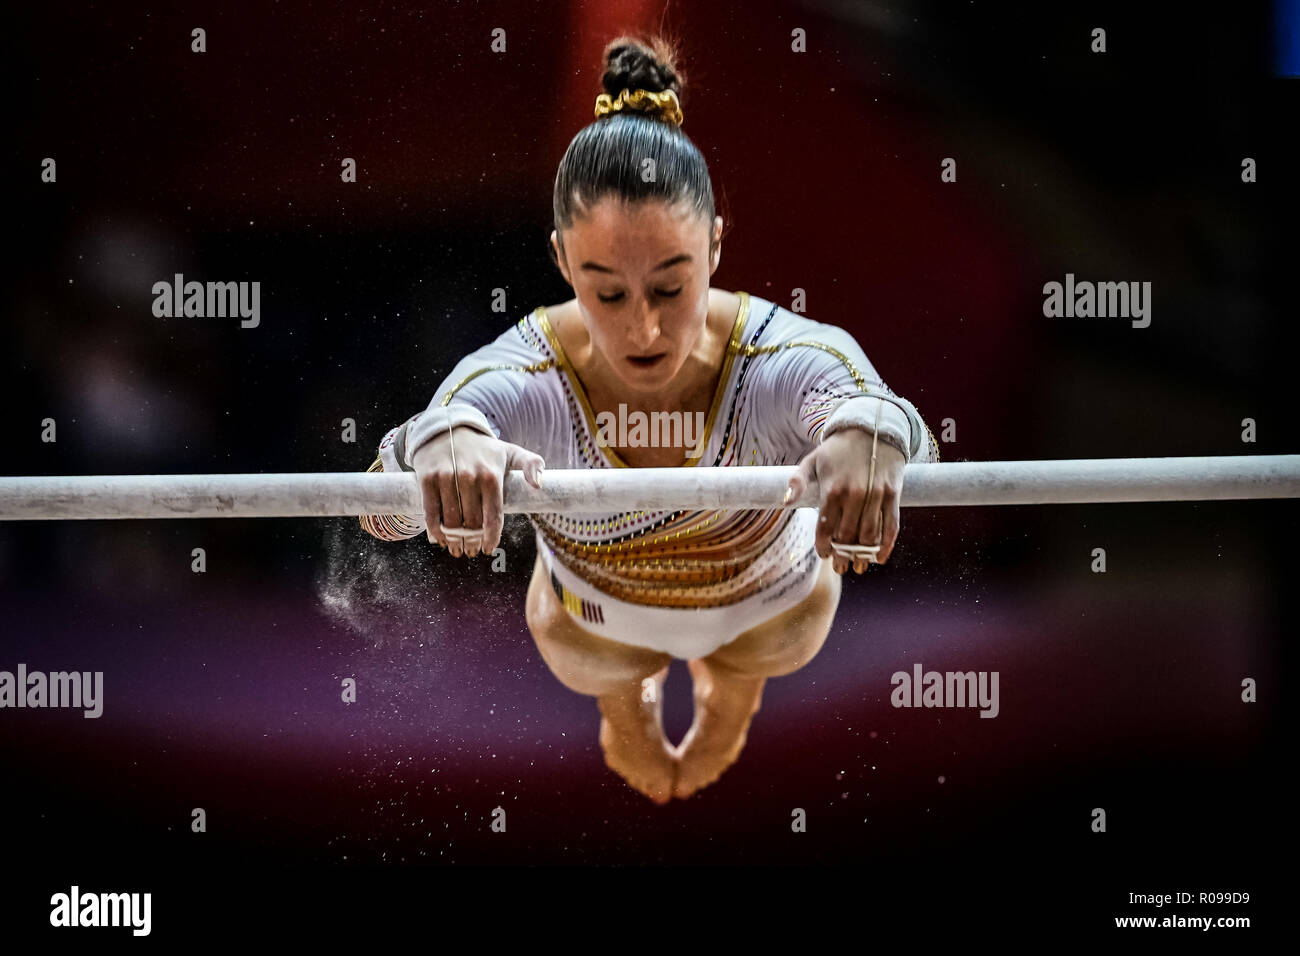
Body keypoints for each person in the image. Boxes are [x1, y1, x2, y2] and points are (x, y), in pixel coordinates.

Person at [360, 36, 939, 804]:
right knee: (600, 656)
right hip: (598, 631)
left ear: (716, 247)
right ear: (565, 262)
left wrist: (873, 434)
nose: (643, 331)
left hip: (769, 618)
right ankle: (622, 702)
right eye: (607, 292)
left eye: (670, 289)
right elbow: (377, 514)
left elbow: (909, 445)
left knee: (763, 647)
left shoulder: (776, 357)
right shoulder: (523, 374)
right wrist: (429, 450)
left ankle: (731, 694)